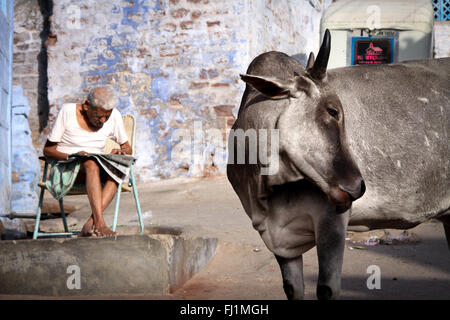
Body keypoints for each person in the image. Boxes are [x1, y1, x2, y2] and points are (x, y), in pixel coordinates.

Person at [43, 86, 132, 237]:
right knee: (90, 162)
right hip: (67, 170)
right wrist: (73, 155)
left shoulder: (114, 115)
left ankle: (90, 224)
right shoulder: (68, 112)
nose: (103, 121)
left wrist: (121, 152)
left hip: (94, 172)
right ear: (86, 106)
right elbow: (48, 151)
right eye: (98, 116)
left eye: (107, 117)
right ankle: (100, 224)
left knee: (117, 171)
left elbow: (127, 148)